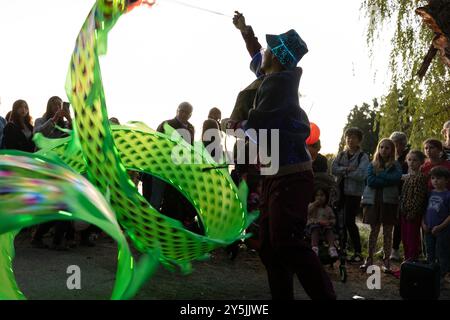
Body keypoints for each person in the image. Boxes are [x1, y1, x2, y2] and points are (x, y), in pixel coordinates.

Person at [231, 21, 335, 299]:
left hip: (290, 174)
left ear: (275, 56)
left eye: (267, 49)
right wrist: (245, 32)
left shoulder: (279, 84)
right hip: (276, 173)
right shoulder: (273, 76)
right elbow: (256, 58)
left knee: (286, 243)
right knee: (268, 246)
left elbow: (262, 121)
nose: (262, 52)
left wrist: (238, 124)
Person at [360, 138, 402, 273]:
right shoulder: (372, 164)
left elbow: (396, 178)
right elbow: (371, 181)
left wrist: (381, 174)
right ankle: (369, 259)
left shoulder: (396, 165)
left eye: (387, 148)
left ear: (392, 150)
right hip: (373, 201)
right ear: (379, 148)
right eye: (381, 147)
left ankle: (387, 261)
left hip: (389, 202)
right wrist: (386, 179)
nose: (384, 150)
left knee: (388, 232)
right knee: (374, 231)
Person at [331, 127, 369, 263]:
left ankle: (358, 251)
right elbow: (333, 169)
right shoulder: (341, 154)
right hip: (340, 193)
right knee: (340, 221)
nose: (350, 139)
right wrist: (347, 169)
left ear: (359, 140)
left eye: (353, 137)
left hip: (354, 194)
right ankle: (343, 249)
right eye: (348, 137)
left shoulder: (362, 156)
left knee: (349, 222)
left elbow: (361, 174)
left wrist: (344, 172)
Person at [399, 150, 428, 261]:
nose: (411, 162)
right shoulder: (409, 177)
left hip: (413, 214)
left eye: (415, 160)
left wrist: (412, 212)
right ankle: (406, 261)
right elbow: (404, 195)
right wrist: (402, 209)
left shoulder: (421, 177)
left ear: (421, 162)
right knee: (405, 238)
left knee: (412, 239)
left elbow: (419, 197)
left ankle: (412, 262)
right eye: (409, 160)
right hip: (404, 212)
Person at [422, 166, 450, 282]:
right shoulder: (429, 194)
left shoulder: (448, 195)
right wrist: (423, 224)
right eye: (433, 178)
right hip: (428, 229)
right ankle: (430, 273)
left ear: (446, 180)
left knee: (441, 253)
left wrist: (440, 227)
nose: (435, 181)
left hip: (442, 230)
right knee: (430, 252)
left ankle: (442, 276)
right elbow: (424, 210)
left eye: (439, 178)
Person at [389, 131, 410, 261]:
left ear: (403, 144)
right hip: (388, 192)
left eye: (398, 144)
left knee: (398, 222)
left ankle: (395, 249)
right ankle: (388, 245)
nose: (396, 146)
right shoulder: (388, 156)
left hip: (402, 193)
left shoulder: (408, 157)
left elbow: (409, 175)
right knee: (388, 220)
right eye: (394, 143)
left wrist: (395, 177)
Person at [307, 187, 338, 258]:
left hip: (325, 226)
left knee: (329, 230)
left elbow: (333, 219)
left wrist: (329, 222)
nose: (319, 197)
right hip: (313, 226)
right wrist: (315, 204)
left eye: (322, 195)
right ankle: (314, 248)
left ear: (326, 197)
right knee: (315, 229)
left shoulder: (328, 209)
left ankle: (331, 248)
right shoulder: (311, 205)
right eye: (317, 195)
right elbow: (307, 212)